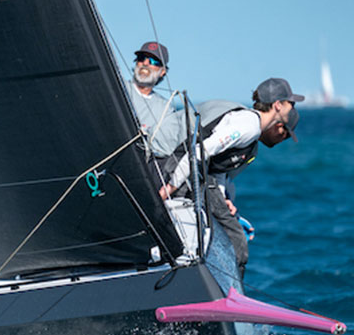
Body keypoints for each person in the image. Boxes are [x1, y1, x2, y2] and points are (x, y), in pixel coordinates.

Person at [158, 77, 303, 273]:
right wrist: (169, 188)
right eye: (290, 104)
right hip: (180, 170)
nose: (292, 109)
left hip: (198, 176)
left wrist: (222, 199)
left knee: (227, 230)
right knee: (236, 239)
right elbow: (199, 152)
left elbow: (216, 170)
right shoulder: (248, 125)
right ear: (277, 105)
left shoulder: (252, 133)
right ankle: (226, 292)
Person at [127, 41, 181, 159]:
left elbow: (165, 148)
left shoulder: (165, 110)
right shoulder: (117, 85)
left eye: (153, 61)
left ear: (162, 71)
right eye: (142, 58)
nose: (145, 63)